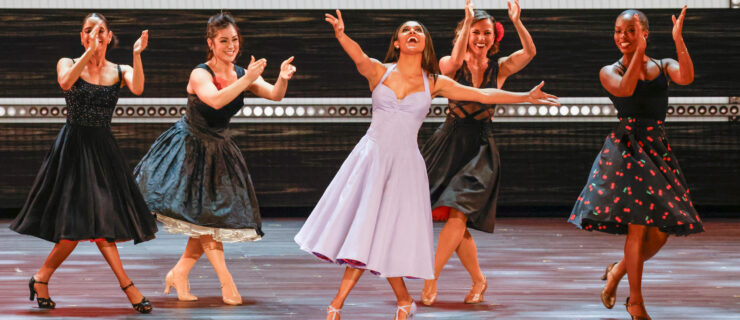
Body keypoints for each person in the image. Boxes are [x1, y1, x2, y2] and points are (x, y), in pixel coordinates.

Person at [294, 10, 557, 320]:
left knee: (383, 234)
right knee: (366, 231)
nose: (412, 32)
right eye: (406, 30)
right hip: (372, 160)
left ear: (425, 43)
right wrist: (341, 35)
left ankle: (357, 303)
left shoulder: (433, 81)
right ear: (397, 41)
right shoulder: (380, 72)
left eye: (418, 30)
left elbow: (482, 93)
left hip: (406, 166)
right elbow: (359, 56)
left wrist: (524, 96)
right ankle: (388, 301)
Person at [134, 12, 296, 305]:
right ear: (211, 43)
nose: (231, 45)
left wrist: (282, 79)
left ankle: (179, 272)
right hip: (190, 148)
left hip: (218, 150)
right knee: (207, 220)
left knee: (206, 219)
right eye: (224, 41)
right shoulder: (200, 74)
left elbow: (274, 95)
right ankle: (227, 282)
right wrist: (247, 78)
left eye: (234, 40)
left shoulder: (240, 74)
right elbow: (216, 99)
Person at [10, 13, 156, 313]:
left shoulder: (120, 69)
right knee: (87, 224)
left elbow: (139, 87)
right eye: (89, 30)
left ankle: (41, 278)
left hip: (102, 150)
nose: (95, 34)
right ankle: (128, 287)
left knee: (91, 223)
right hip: (74, 150)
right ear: (82, 36)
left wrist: (137, 56)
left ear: (109, 35)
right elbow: (65, 83)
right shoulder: (67, 62)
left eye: (100, 31)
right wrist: (89, 52)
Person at [568, 6, 703, 320]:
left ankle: (616, 273)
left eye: (630, 30)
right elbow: (626, 89)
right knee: (637, 229)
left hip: (656, 148)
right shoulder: (608, 71)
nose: (623, 36)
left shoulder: (663, 64)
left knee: (660, 231)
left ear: (645, 32)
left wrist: (678, 38)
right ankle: (636, 302)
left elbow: (687, 77)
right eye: (618, 30)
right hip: (626, 150)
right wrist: (635, 55)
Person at [420, 0, 537, 305]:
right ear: (465, 34)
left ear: (494, 38)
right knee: (456, 221)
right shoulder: (450, 64)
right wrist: (466, 20)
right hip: (449, 143)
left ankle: (430, 277)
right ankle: (479, 280)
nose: (482, 38)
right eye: (475, 32)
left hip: (480, 150)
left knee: (458, 212)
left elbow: (529, 53)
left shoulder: (500, 67)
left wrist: (517, 21)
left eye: (487, 33)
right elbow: (453, 60)